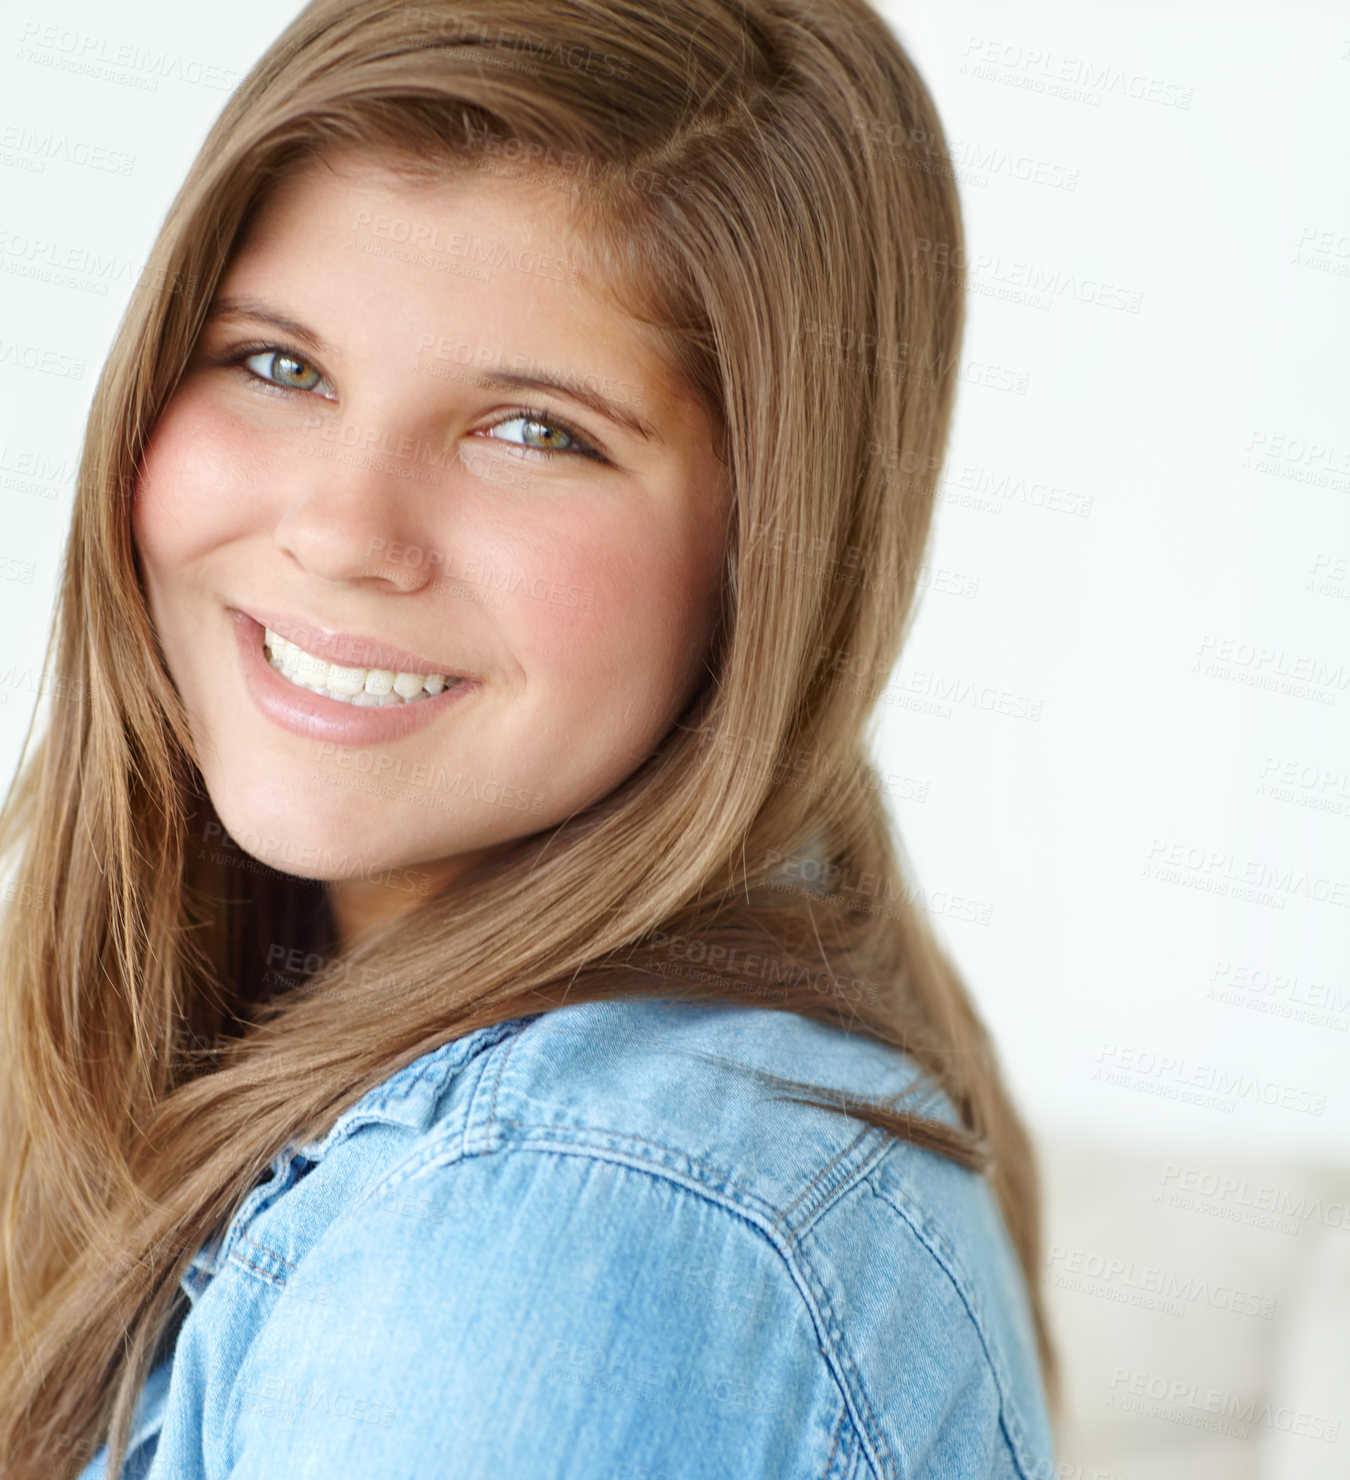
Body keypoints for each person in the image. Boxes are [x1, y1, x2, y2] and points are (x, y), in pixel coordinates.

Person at [0, 1, 1058, 1475]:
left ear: (763, 554)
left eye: (533, 431)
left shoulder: (564, 1226)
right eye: (279, 366)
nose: (343, 531)